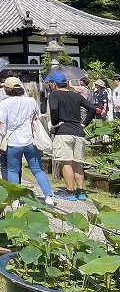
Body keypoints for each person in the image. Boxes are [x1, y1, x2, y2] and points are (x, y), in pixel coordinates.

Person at [0, 77, 54, 206]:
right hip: (31, 141)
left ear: (6, 89)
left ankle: (16, 199)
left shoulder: (5, 103)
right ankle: (48, 196)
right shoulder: (31, 101)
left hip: (14, 141)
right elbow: (37, 117)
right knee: (38, 170)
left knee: (13, 171)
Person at [46, 71, 96, 201]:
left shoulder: (54, 95)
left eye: (50, 83)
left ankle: (70, 191)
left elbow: (54, 109)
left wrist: (56, 123)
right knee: (77, 163)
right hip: (78, 132)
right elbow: (92, 108)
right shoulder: (76, 96)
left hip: (64, 132)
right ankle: (80, 191)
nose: (50, 85)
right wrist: (84, 124)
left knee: (66, 162)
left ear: (55, 84)